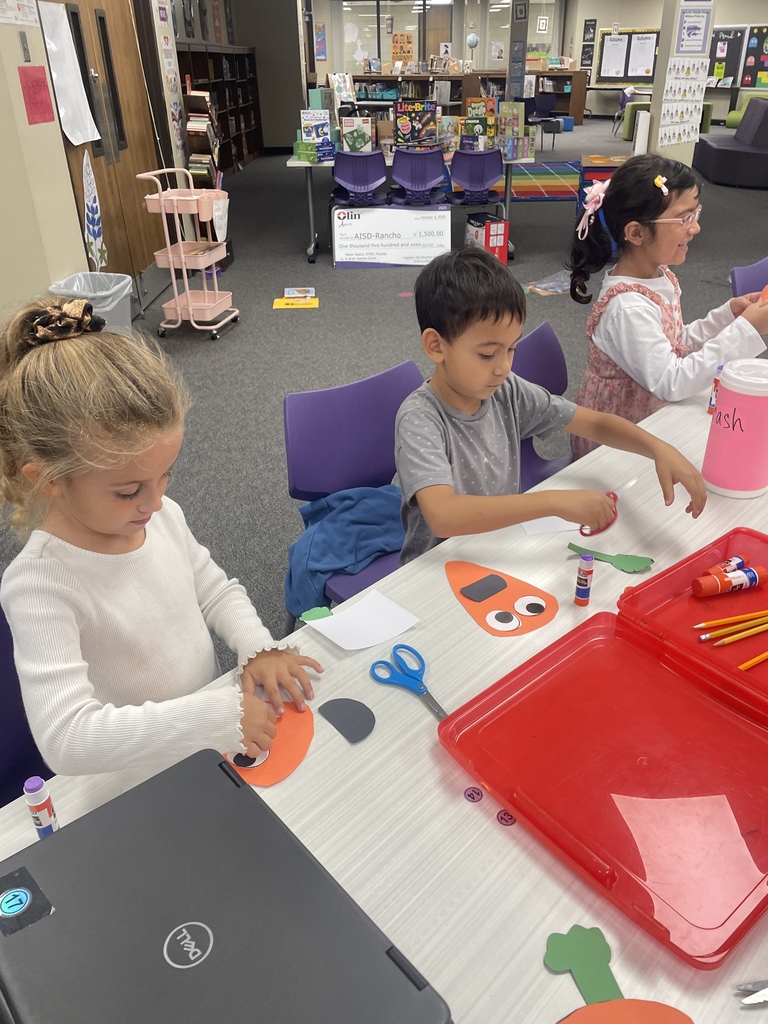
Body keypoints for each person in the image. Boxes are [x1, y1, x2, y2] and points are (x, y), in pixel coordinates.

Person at [0, 298, 322, 777]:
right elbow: (68, 739)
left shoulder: (160, 517)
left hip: (202, 739)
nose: (154, 503)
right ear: (50, 479)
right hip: (136, 771)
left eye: (164, 476)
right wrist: (215, 715)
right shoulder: (39, 583)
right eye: (129, 491)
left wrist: (258, 646)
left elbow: (214, 589)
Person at [395, 247, 707, 564]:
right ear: (436, 346)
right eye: (488, 354)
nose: (503, 367)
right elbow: (443, 515)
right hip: (435, 565)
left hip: (497, 545)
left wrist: (657, 448)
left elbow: (595, 424)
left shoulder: (506, 389)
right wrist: (554, 501)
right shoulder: (420, 417)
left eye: (511, 349)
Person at [567, 153, 768, 459]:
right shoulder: (626, 308)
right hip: (615, 443)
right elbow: (671, 381)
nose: (695, 228)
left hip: (648, 421)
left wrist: (728, 317)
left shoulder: (660, 276)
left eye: (695, 213)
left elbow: (675, 342)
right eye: (684, 218)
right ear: (636, 233)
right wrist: (746, 331)